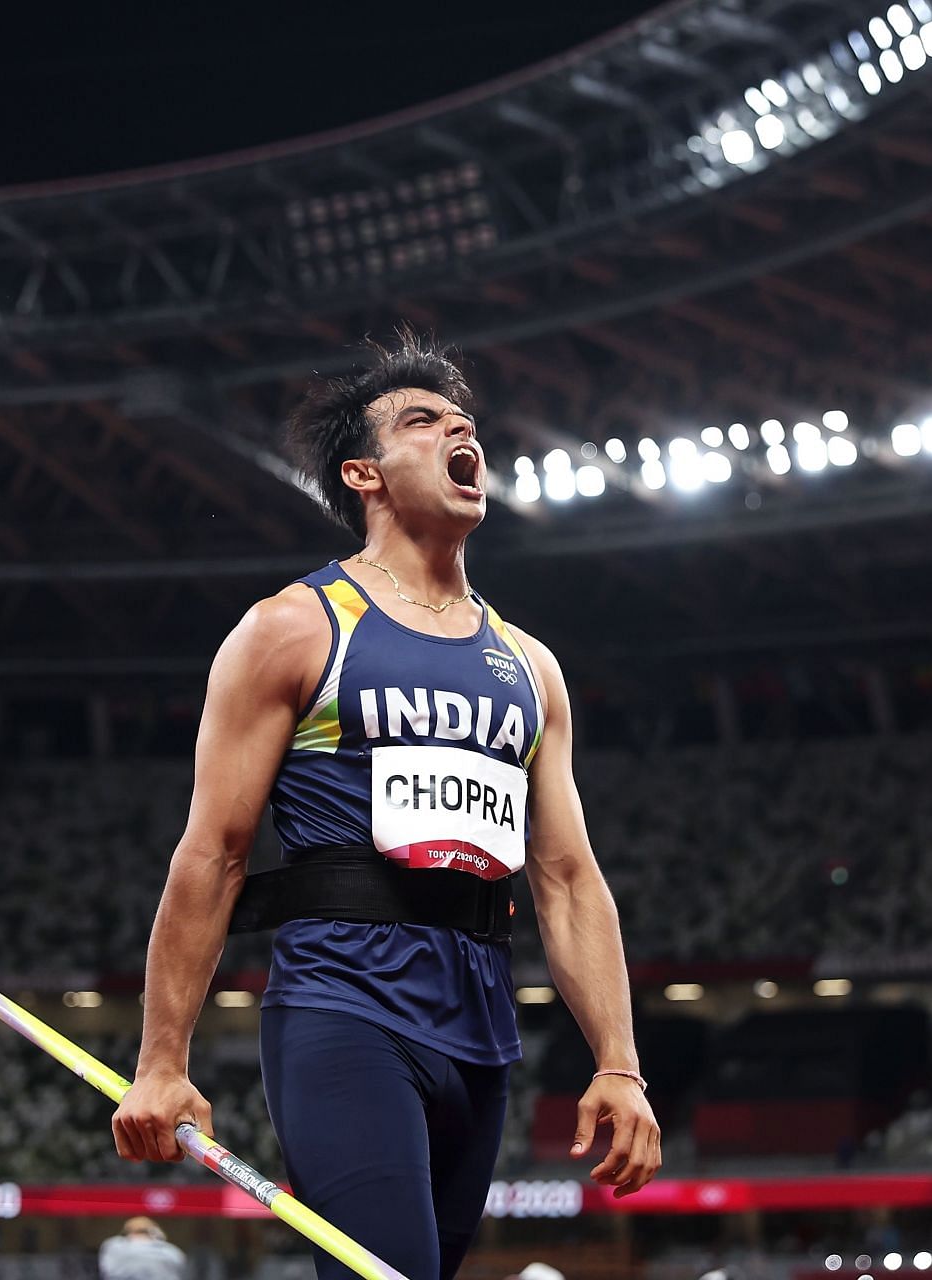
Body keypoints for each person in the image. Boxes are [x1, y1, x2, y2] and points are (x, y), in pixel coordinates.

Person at [111, 331, 661, 1278]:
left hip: (483, 1026)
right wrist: (164, 1059)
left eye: (465, 422)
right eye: (423, 421)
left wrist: (619, 1061)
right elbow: (213, 853)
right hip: (344, 1006)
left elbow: (567, 878)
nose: (459, 430)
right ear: (363, 474)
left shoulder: (531, 666)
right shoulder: (294, 629)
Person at [98, 1217, 185, 1280]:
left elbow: (106, 1271)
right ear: (155, 1231)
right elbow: (180, 1270)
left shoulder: (114, 1246)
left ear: (127, 1231)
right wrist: (160, 1239)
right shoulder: (171, 1251)